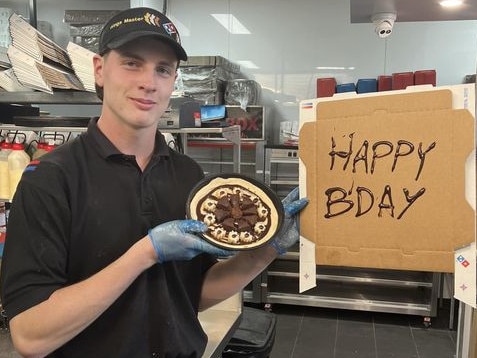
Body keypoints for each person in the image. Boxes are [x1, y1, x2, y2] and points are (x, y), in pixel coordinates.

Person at [0, 7, 308, 358]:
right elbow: (29, 337)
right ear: (100, 70)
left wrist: (267, 250)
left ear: (173, 81)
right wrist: (144, 253)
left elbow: (194, 293)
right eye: (132, 63)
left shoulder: (187, 175)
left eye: (163, 69)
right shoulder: (51, 180)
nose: (149, 82)